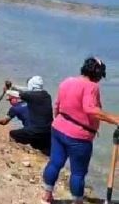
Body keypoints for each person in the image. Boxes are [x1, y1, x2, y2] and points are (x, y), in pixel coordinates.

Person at [41, 58, 119, 204]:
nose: (100, 80)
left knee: (55, 163)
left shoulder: (67, 81)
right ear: (97, 73)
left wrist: (59, 124)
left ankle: (47, 195)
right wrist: (115, 119)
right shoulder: (92, 86)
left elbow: (57, 106)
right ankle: (77, 201)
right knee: (78, 173)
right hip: (79, 137)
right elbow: (90, 109)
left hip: (58, 128)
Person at [4, 76, 53, 155]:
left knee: (13, 134)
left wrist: (7, 91)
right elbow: (27, 90)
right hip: (49, 132)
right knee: (44, 149)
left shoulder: (32, 97)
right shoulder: (47, 96)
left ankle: (17, 154)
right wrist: (13, 86)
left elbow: (18, 94)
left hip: (35, 132)